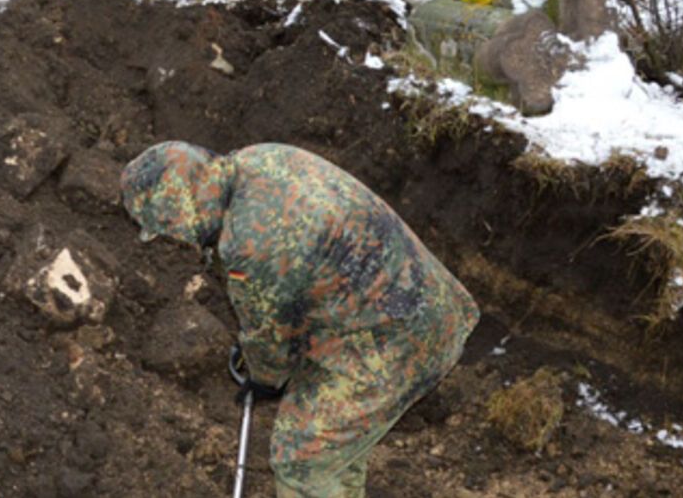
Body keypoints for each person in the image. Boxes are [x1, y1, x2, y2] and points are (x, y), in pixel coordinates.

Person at [121, 142, 479, 498]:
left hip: (400, 341)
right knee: (333, 449)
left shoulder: (249, 244)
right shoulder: (258, 158)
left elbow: (271, 339)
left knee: (302, 461)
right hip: (420, 301)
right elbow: (291, 287)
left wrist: (262, 377)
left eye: (167, 228)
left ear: (181, 212)